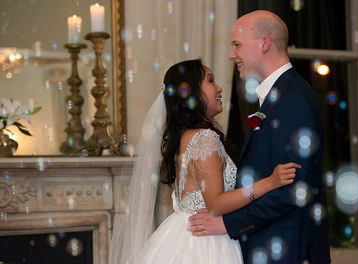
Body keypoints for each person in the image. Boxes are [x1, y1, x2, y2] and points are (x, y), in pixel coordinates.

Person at [108, 59, 301, 264]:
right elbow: (216, 204)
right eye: (210, 81)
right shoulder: (204, 138)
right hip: (204, 244)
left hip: (182, 235)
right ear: (191, 92)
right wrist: (270, 182)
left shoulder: (185, 136)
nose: (219, 89)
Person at [189, 10, 331, 264]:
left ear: (264, 44)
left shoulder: (292, 99)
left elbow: (293, 188)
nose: (232, 55)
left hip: (289, 249)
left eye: (237, 45)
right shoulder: (280, 95)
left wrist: (228, 224)